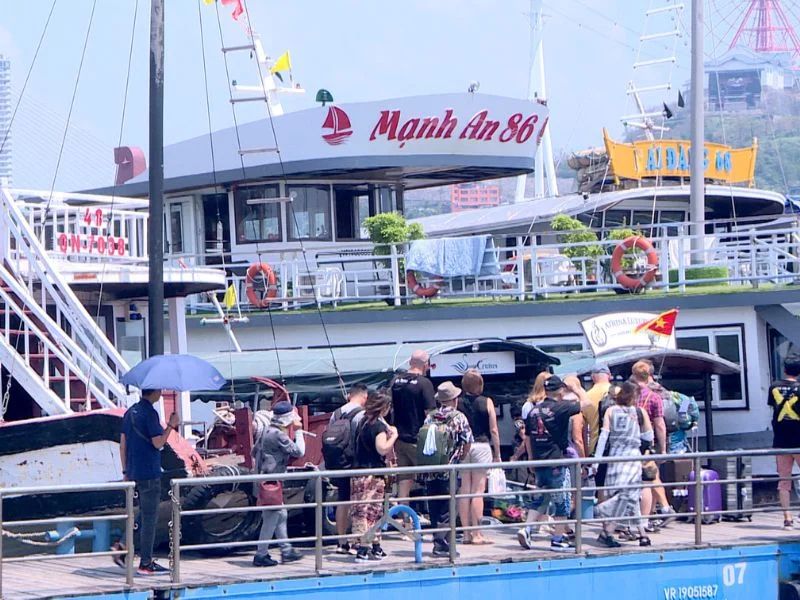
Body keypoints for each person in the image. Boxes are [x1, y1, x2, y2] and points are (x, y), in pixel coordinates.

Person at [517, 375, 580, 553]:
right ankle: (558, 539)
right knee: (563, 502)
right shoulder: (560, 407)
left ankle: (527, 528)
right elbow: (588, 404)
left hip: (539, 462)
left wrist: (531, 460)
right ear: (560, 389)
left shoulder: (533, 410)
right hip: (556, 461)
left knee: (540, 498)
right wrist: (576, 389)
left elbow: (527, 437)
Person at [119, 389, 179, 575]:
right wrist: (171, 425)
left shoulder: (130, 412)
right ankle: (146, 562)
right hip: (149, 472)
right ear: (154, 393)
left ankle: (122, 545)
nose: (161, 393)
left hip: (134, 470)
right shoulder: (150, 413)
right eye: (159, 390)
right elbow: (158, 443)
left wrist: (125, 470)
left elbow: (123, 442)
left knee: (142, 512)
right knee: (150, 518)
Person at [593, 382, 654, 548]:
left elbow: (604, 436)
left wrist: (597, 461)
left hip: (615, 458)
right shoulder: (640, 412)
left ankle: (639, 534)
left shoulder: (610, 411)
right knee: (629, 495)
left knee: (627, 495)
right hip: (633, 458)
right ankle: (604, 520)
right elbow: (649, 436)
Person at [422, 381, 473, 556]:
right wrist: (460, 457)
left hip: (431, 469)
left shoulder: (430, 416)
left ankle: (438, 542)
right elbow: (467, 441)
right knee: (448, 507)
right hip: (449, 468)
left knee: (434, 507)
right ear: (454, 399)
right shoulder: (459, 417)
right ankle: (444, 546)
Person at [252, 401, 305, 567]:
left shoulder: (265, 431)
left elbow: (254, 452)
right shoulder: (278, 435)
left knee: (281, 514)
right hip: (271, 483)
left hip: (264, 480)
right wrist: (299, 431)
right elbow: (300, 451)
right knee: (271, 518)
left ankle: (286, 549)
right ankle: (261, 554)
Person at [351, 391, 399, 562]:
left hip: (359, 473)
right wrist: (393, 437)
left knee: (365, 511)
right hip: (373, 474)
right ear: (384, 407)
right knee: (371, 511)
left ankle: (375, 546)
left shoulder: (363, 421)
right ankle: (364, 548)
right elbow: (382, 448)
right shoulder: (378, 426)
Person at [457, 369, 500, 545]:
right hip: (481, 445)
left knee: (464, 490)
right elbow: (494, 429)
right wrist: (497, 453)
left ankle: (465, 533)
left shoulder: (457, 402)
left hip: (463, 446)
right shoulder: (487, 401)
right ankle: (477, 533)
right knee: (478, 492)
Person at [325, 383, 368, 555]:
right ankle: (358, 541)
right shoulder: (362, 414)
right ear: (364, 397)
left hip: (338, 462)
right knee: (358, 503)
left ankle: (341, 541)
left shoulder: (336, 413)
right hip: (355, 463)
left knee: (342, 500)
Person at [631, 360, 674, 529]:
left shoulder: (628, 395)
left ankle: (655, 513)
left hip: (630, 442)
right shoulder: (655, 396)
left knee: (647, 478)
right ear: (649, 375)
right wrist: (663, 448)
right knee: (650, 477)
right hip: (648, 443)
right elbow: (660, 425)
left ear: (634, 375)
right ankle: (661, 510)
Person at [390, 349, 436, 505]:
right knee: (432, 478)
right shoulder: (424, 383)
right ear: (425, 365)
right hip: (418, 440)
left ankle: (404, 518)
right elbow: (431, 413)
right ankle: (436, 515)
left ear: (410, 362)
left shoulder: (395, 381)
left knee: (404, 480)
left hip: (399, 439)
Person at [768, 353, 800, 529]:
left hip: (780, 440)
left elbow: (772, 407)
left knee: (784, 480)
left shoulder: (774, 387)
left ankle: (787, 518)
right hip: (799, 439)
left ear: (785, 368)